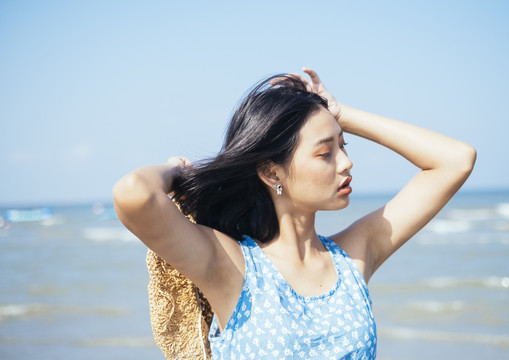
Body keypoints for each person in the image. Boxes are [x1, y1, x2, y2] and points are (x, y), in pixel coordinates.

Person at [113, 68, 476, 359]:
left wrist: (341, 115)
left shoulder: (354, 256)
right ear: (272, 172)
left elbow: (455, 161)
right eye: (325, 153)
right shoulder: (231, 266)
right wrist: (176, 169)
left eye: (343, 146)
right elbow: (134, 194)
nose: (347, 163)